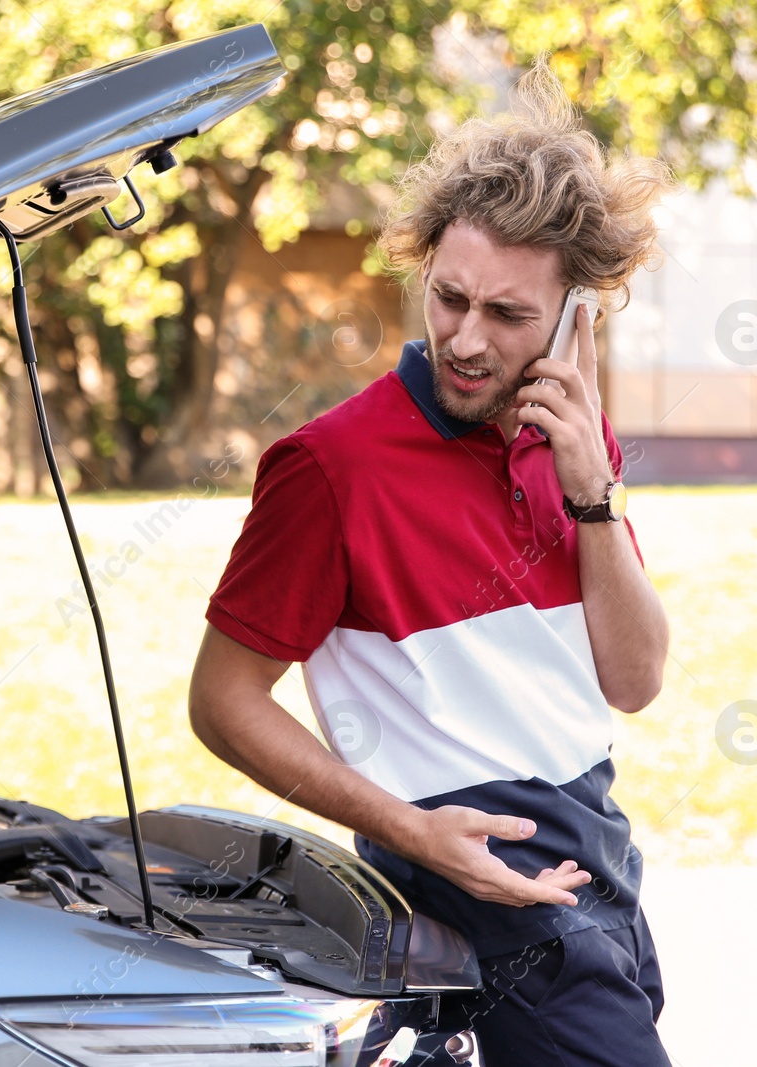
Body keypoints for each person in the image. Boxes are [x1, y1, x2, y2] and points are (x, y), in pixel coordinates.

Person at [186, 55, 676, 1066]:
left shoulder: (577, 444)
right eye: (448, 298)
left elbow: (633, 679)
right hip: (476, 903)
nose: (462, 338)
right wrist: (406, 830)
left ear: (574, 317)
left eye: (506, 316)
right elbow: (222, 701)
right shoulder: (328, 468)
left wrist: (593, 490)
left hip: (597, 864)